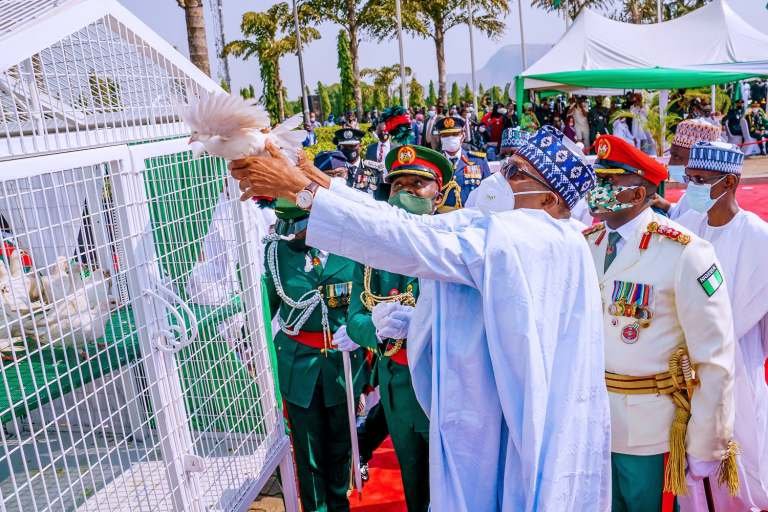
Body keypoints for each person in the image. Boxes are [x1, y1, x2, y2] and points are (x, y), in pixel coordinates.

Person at [230, 127, 612, 511]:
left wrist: (304, 191)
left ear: (549, 198)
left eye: (515, 171)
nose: (499, 176)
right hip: (501, 410)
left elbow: (408, 240)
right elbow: (412, 226)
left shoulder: (525, 236)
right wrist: (312, 178)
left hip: (507, 421)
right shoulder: (540, 236)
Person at [584, 134, 737, 512]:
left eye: (609, 184)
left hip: (651, 428)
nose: (597, 191)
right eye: (597, 180)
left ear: (639, 194)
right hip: (594, 421)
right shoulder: (587, 243)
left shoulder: (685, 252)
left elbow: (715, 357)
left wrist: (707, 442)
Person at [337, 145, 451, 512]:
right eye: (397, 184)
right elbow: (354, 318)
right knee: (415, 484)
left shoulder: (454, 241)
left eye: (417, 184)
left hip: (446, 381)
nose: (406, 192)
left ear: (440, 190)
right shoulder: (373, 253)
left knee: (456, 483)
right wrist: (375, 328)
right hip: (397, 386)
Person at [674, 142, 768, 512]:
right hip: (682, 365)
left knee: (741, 444)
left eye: (700, 180)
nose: (691, 187)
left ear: (729, 182)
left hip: (737, 365)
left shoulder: (759, 238)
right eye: (689, 178)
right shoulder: (683, 228)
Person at [262, 191, 367, 512]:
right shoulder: (277, 252)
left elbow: (367, 303)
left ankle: (339, 503)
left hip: (343, 363)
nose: (291, 230)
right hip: (299, 364)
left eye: (299, 223)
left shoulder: (353, 248)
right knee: (307, 448)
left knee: (341, 443)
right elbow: (265, 309)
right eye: (287, 222)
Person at [652, 119, 722, 220]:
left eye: (677, 157)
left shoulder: (707, 200)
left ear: (699, 160)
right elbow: (682, 216)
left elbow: (686, 228)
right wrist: (667, 206)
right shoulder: (694, 190)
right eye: (671, 155)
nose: (670, 163)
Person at [435, 116, 491, 212]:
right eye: (446, 135)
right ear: (440, 138)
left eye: (455, 134)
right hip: (442, 219)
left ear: (463, 136)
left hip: (471, 217)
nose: (450, 138)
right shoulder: (434, 162)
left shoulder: (478, 161)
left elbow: (489, 191)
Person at [334, 128, 385, 195]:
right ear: (339, 147)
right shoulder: (334, 170)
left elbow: (381, 199)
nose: (349, 150)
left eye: (352, 146)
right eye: (344, 147)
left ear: (360, 146)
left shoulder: (374, 170)